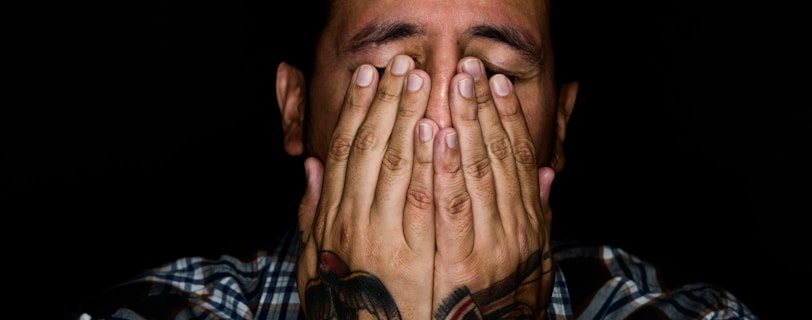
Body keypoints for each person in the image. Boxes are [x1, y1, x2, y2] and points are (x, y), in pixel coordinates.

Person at [75, 0, 758, 319]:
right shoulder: (158, 313)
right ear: (295, 108)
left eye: (493, 74)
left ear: (560, 127)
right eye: (394, 70)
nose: (439, 124)